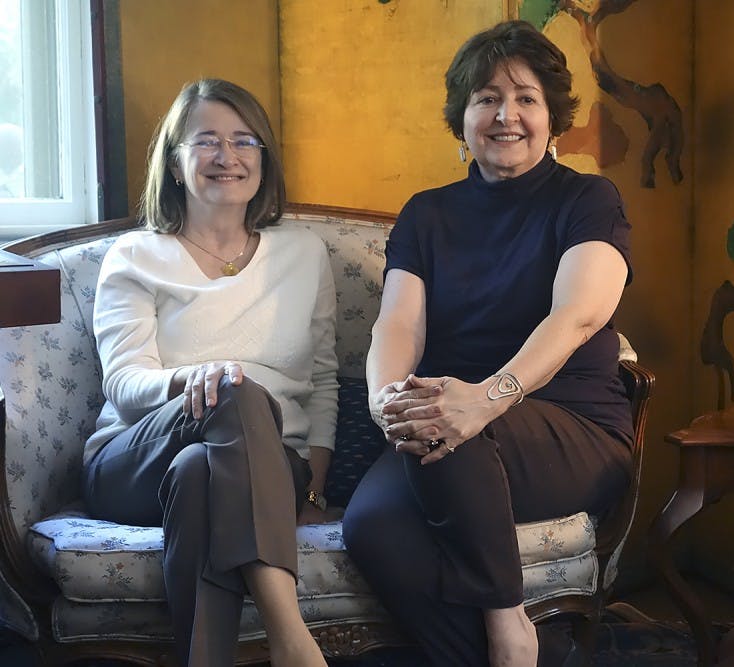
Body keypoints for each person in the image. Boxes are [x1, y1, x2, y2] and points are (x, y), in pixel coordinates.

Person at [342, 20, 634, 667]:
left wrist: (486, 398)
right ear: (463, 115)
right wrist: (386, 398)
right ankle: (527, 656)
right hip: (447, 432)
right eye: (486, 98)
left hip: (570, 425)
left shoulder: (590, 199)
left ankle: (510, 624)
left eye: (526, 98)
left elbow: (579, 315)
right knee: (371, 524)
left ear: (552, 115)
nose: (507, 115)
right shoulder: (426, 213)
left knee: (454, 423)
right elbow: (398, 324)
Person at [80, 79, 337, 667]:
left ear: (264, 159)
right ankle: (291, 638)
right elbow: (124, 384)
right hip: (134, 459)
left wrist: (315, 487)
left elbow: (323, 380)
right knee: (231, 391)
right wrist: (192, 379)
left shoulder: (303, 253)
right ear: (175, 161)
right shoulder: (135, 255)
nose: (229, 156)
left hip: (273, 467)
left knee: (203, 473)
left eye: (245, 140)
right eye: (208, 141)